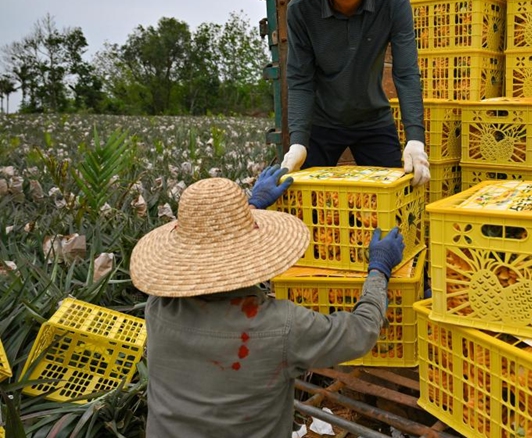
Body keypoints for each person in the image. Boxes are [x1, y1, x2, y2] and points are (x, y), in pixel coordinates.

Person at [130, 165, 406, 437]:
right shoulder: (281, 325)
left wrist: (251, 206)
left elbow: (213, 250)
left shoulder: (158, 307)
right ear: (253, 250)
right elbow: (361, 332)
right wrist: (379, 269)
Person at [281, 0, 431, 187]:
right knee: (304, 198)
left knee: (394, 197)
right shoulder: (302, 11)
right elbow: (300, 79)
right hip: (322, 122)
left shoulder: (393, 4)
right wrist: (298, 141)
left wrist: (415, 138)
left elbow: (406, 73)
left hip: (373, 120)